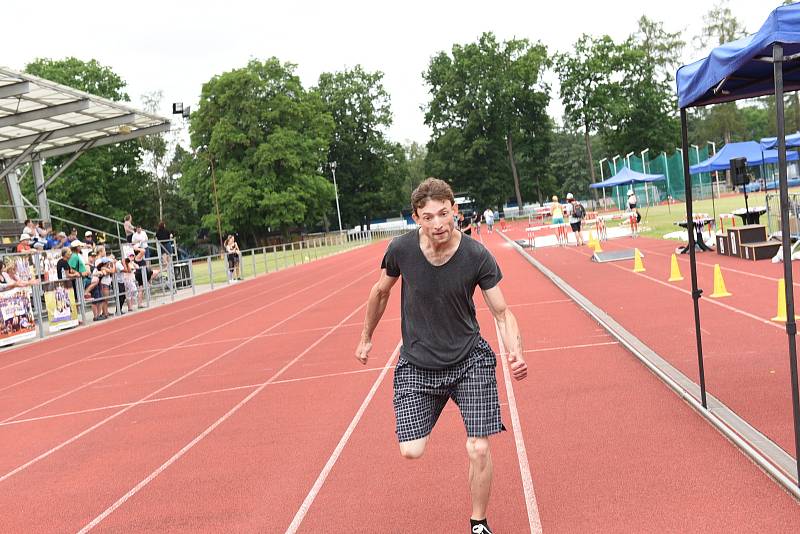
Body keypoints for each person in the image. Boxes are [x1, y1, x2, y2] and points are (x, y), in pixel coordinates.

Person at [355, 178, 527, 534]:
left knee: (478, 448)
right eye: (429, 216)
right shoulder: (401, 250)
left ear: (456, 212)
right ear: (416, 217)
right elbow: (380, 292)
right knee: (411, 451)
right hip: (418, 364)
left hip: (469, 361)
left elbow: (502, 312)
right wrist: (366, 336)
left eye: (444, 214)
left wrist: (515, 350)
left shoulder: (476, 255)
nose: (438, 224)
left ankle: (478, 524)